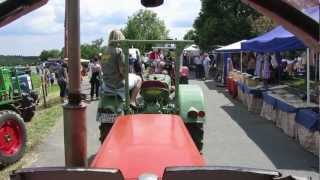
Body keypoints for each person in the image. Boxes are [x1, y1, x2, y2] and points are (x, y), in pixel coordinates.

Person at [101, 29, 142, 107]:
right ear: (119, 38)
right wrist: (127, 74)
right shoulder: (118, 51)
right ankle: (132, 101)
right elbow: (122, 71)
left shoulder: (105, 51)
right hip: (117, 84)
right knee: (138, 79)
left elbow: (103, 67)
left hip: (107, 83)